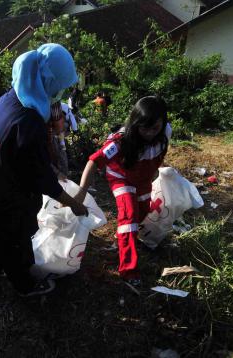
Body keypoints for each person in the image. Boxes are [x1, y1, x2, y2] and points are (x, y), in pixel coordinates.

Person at [0, 44, 88, 297]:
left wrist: (51, 171)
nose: (60, 93)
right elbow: (38, 176)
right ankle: (24, 286)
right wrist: (73, 203)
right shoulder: (29, 120)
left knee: (0, 244)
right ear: (47, 80)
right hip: (6, 203)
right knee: (14, 245)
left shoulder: (9, 98)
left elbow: (24, 157)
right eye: (59, 86)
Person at [74, 96, 171, 288]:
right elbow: (94, 161)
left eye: (155, 128)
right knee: (129, 217)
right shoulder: (120, 142)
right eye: (145, 128)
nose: (150, 133)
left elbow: (157, 154)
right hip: (121, 177)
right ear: (136, 123)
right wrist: (81, 192)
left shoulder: (165, 132)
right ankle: (129, 269)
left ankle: (124, 239)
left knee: (143, 211)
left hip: (143, 179)